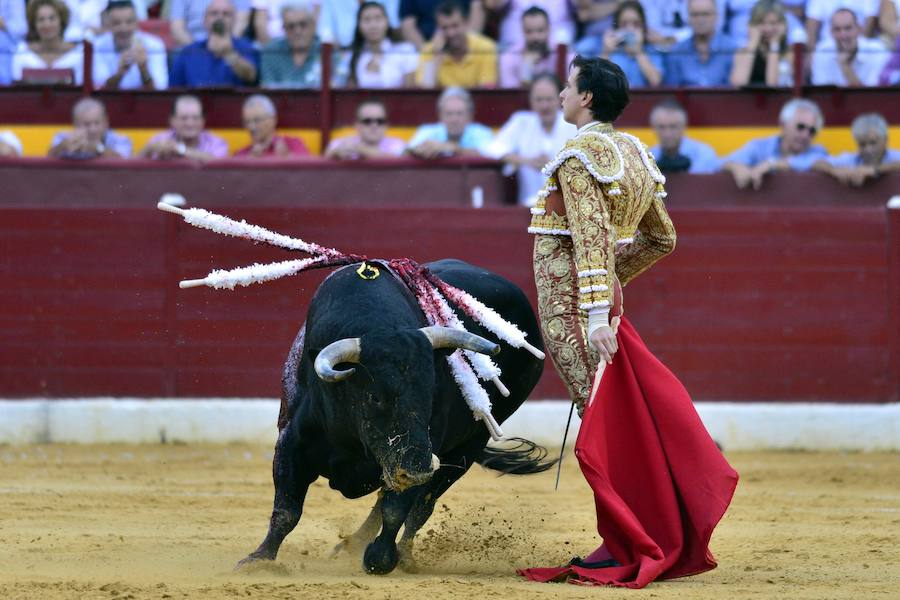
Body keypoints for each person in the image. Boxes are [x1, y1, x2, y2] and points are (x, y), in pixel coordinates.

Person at [520, 56, 737, 588]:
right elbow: (662, 239)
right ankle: (645, 531)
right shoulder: (635, 152)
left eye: (569, 86)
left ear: (587, 97)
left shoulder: (580, 156)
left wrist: (594, 312)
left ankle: (632, 541)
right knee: (614, 420)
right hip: (601, 306)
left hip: (576, 313)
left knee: (603, 425)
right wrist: (613, 288)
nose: (562, 94)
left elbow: (590, 237)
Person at [487, 73, 576, 204]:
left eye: (549, 99)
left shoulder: (573, 124)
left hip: (568, 205)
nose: (544, 106)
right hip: (529, 205)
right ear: (530, 100)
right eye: (539, 100)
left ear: (560, 99)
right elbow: (492, 148)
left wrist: (555, 165)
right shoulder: (521, 121)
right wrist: (525, 161)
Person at [720, 98, 828, 190]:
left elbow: (822, 163)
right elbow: (723, 163)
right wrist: (737, 167)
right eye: (800, 127)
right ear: (783, 125)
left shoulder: (818, 152)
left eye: (812, 131)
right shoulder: (760, 147)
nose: (805, 135)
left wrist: (771, 164)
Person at [170, 0, 259, 87]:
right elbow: (173, 89)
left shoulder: (245, 47)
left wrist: (229, 53)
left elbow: (252, 77)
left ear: (234, 20)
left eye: (226, 14)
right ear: (204, 21)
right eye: (214, 13)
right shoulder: (188, 52)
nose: (220, 18)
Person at [260, 1, 345, 88]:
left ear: (313, 26)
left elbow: (339, 86)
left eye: (303, 24)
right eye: (291, 26)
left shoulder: (328, 51)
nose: (297, 31)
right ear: (283, 29)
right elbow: (268, 89)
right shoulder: (272, 52)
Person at [415, 0, 497, 88]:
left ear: (465, 24)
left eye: (455, 26)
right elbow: (425, 91)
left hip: (476, 97)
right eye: (444, 28)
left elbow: (487, 90)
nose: (451, 33)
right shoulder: (429, 50)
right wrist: (436, 56)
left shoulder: (486, 47)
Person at [92, 0, 168, 90]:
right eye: (117, 23)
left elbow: (159, 92)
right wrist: (119, 74)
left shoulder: (154, 45)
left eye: (129, 22)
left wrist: (144, 69)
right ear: (109, 24)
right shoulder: (97, 46)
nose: (124, 28)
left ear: (137, 23)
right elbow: (98, 91)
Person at [812, 112, 900, 185]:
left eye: (873, 143)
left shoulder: (895, 156)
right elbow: (817, 163)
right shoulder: (852, 159)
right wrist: (834, 171)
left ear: (885, 140)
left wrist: (875, 170)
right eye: (862, 145)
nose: (868, 149)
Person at [406, 86, 493, 158]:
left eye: (459, 113)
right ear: (440, 115)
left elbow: (492, 155)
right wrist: (419, 150)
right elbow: (406, 152)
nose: (454, 119)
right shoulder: (427, 131)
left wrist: (454, 149)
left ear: (470, 116)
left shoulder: (482, 132)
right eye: (449, 114)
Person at [663, 0, 735, 87]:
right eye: (695, 15)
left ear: (716, 16)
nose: (700, 20)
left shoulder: (733, 49)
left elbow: (735, 90)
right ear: (688, 18)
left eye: (705, 14)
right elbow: (672, 89)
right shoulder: (676, 52)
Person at [811, 8, 891, 87]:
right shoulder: (822, 52)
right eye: (837, 29)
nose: (843, 35)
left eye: (848, 28)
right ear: (831, 32)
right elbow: (821, 92)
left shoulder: (876, 51)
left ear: (859, 29)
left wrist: (845, 66)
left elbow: (873, 93)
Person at [346, 1, 418, 88]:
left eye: (378, 19)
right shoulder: (351, 55)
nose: (373, 25)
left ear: (387, 21)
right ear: (359, 25)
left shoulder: (406, 50)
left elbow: (410, 90)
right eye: (366, 20)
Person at [12, 0, 83, 85]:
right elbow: (16, 85)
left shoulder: (78, 53)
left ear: (61, 21)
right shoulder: (22, 52)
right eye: (41, 19)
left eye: (52, 18)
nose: (47, 25)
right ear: (34, 24)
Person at [138, 95, 228, 161]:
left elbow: (217, 162)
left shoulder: (217, 142)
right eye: (183, 118)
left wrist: (179, 149)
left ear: (203, 121)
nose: (190, 124)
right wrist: (149, 149)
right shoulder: (160, 139)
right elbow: (133, 166)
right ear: (172, 120)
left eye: (196, 118)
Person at [498, 6, 571, 88]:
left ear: (549, 29)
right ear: (522, 31)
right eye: (529, 31)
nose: (535, 37)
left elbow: (571, 89)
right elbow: (511, 92)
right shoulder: (509, 57)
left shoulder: (563, 54)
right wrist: (526, 69)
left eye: (540, 30)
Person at [598, 1, 663, 88]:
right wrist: (606, 52)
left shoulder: (651, 50)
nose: (630, 29)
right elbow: (597, 81)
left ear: (643, 26)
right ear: (617, 26)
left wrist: (639, 52)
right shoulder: (610, 50)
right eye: (624, 24)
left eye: (636, 24)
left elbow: (655, 81)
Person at [729, 0, 793, 87]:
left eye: (773, 23)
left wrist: (774, 43)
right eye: (762, 23)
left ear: (783, 25)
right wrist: (753, 42)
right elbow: (738, 84)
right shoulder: (742, 51)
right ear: (752, 25)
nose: (768, 28)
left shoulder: (789, 52)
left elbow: (773, 85)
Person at [648, 99, 719, 173]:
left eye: (673, 127)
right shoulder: (648, 158)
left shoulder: (704, 154)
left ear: (683, 127)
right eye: (661, 127)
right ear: (654, 128)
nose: (667, 134)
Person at [48, 97, 132, 159]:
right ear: (75, 125)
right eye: (86, 124)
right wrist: (62, 146)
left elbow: (123, 161)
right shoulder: (63, 137)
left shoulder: (120, 140)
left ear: (106, 122)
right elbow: (48, 159)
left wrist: (97, 148)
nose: (92, 129)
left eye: (97, 123)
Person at [325, 99, 406, 159]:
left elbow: (397, 159)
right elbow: (325, 159)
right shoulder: (341, 142)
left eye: (380, 121)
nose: (374, 125)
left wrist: (361, 149)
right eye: (367, 121)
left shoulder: (397, 144)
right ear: (357, 125)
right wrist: (335, 154)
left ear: (386, 125)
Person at [234, 94, 310, 157]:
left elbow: (307, 168)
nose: (251, 127)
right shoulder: (242, 154)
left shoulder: (293, 145)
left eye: (257, 120)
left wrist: (289, 160)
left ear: (273, 120)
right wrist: (248, 163)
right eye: (247, 122)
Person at [170, 0, 251, 47]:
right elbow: (177, 29)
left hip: (229, 44)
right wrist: (197, 49)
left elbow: (241, 23)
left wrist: (226, 45)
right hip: (192, 45)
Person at [805, 0, 878, 51]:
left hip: (859, 45)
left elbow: (870, 20)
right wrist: (811, 53)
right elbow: (812, 24)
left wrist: (859, 47)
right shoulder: (822, 50)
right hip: (829, 47)